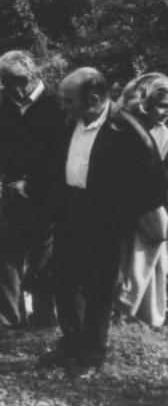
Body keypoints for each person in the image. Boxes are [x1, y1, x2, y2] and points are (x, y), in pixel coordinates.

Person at [46, 67, 168, 373]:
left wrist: (122, 216)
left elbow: (152, 181)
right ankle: (71, 342)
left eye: (69, 100)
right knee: (63, 280)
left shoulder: (126, 129)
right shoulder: (65, 123)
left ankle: (91, 354)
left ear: (94, 99)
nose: (64, 106)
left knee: (98, 287)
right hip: (69, 211)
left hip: (105, 220)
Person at [0, 51, 62, 333]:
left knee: (44, 260)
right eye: (5, 81)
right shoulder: (8, 103)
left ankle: (43, 319)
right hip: (13, 194)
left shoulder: (56, 104)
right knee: (2, 251)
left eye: (15, 80)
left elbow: (59, 155)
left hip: (46, 196)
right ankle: (10, 318)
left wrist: (32, 183)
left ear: (30, 75)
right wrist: (8, 177)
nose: (10, 87)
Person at [116, 73, 168, 327]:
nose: (165, 113)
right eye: (162, 106)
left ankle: (149, 314)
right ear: (142, 102)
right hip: (127, 205)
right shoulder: (123, 129)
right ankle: (124, 310)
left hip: (152, 204)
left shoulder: (163, 134)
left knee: (151, 259)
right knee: (130, 262)